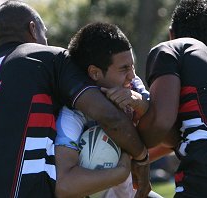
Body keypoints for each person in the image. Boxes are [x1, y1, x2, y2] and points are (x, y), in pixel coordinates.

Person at [0, 1, 149, 197]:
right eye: (44, 33)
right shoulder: (47, 57)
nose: (46, 40)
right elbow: (110, 117)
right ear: (33, 29)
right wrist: (141, 158)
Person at [108, 0, 207, 197]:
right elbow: (173, 138)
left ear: (171, 33)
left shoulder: (173, 47)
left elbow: (160, 123)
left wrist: (135, 153)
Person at [55, 22, 159, 198]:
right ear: (95, 73)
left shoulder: (133, 86)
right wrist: (124, 166)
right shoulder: (72, 115)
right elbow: (64, 186)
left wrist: (141, 104)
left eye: (132, 66)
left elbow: (160, 124)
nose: (132, 75)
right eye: (124, 69)